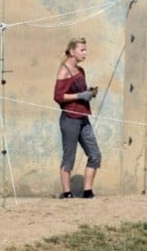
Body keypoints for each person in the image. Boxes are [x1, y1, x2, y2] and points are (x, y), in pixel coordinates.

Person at [53, 37, 101, 199]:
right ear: (72, 51)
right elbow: (58, 96)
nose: (85, 53)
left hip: (83, 118)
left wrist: (89, 93)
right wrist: (80, 95)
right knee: (69, 158)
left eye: (85, 50)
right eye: (82, 50)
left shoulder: (81, 71)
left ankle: (87, 192)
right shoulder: (64, 71)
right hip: (69, 118)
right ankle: (67, 194)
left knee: (95, 155)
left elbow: (79, 93)